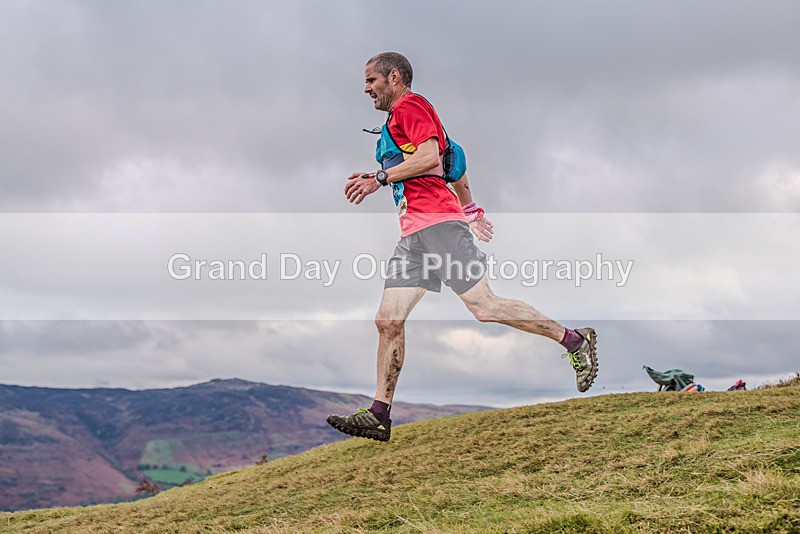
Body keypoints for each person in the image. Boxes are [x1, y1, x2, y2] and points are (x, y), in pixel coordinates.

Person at [327, 52, 597, 442]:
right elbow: (456, 159)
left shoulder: (411, 106)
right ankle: (380, 414)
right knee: (388, 321)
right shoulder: (395, 123)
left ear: (395, 77)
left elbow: (431, 156)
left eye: (371, 80)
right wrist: (471, 208)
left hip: (438, 226)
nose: (366, 88)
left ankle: (575, 340)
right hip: (413, 235)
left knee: (484, 308)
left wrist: (380, 178)